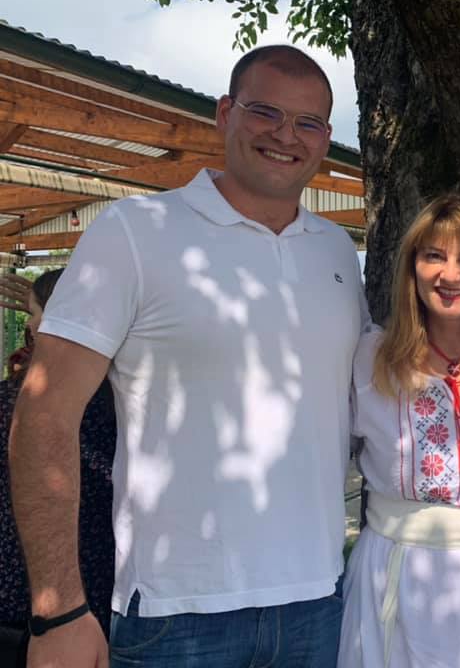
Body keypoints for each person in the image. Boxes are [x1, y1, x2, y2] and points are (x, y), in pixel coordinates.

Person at [8, 45, 368, 668]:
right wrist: (58, 609)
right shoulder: (133, 232)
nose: (286, 135)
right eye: (265, 112)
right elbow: (43, 417)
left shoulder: (336, 251)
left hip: (317, 601)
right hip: (175, 616)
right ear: (225, 114)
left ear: (325, 137)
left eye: (307, 122)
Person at [338, 194, 460, 668]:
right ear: (413, 267)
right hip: (398, 580)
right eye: (434, 256)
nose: (451, 275)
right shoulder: (369, 360)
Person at [1, 269, 116, 667]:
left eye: (33, 314)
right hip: (107, 581)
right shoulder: (124, 398)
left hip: (29, 589)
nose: (28, 326)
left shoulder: (20, 400)